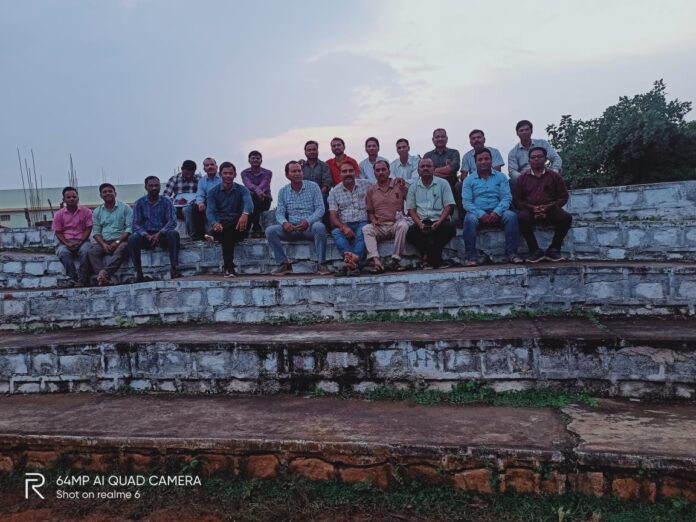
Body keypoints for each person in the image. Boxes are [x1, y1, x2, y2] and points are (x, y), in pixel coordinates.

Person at [265, 161, 330, 275]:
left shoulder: (313, 186)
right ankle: (284, 264)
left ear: (302, 172)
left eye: (299, 170)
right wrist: (285, 223)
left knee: (320, 227)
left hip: (310, 228)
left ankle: (321, 264)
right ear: (287, 175)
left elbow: (320, 209)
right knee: (270, 231)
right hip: (292, 229)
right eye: (293, 171)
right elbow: (279, 213)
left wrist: (308, 221)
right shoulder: (283, 191)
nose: (297, 173)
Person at [462, 148, 522, 266]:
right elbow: (467, 202)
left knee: (511, 216)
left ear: (491, 160)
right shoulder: (469, 180)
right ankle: (471, 257)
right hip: (477, 212)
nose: (483, 162)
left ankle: (512, 254)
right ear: (475, 162)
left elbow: (506, 197)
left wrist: (497, 212)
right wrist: (481, 214)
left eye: (486, 159)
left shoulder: (501, 177)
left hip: (498, 210)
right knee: (469, 219)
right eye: (480, 160)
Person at [513, 147, 572, 262]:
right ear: (529, 160)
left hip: (551, 210)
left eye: (539, 157)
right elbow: (517, 200)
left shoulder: (554, 176)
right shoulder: (522, 178)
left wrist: (549, 207)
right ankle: (534, 250)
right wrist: (532, 208)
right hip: (530, 211)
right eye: (533, 157)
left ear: (545, 159)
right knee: (521, 217)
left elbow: (563, 197)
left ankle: (554, 249)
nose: (536, 159)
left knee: (566, 218)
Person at [405, 158, 456, 269]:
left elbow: (449, 205)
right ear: (418, 170)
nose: (425, 168)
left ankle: (428, 259)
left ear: (433, 169)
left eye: (428, 166)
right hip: (422, 222)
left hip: (440, 221)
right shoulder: (413, 187)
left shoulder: (443, 183)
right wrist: (419, 224)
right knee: (410, 232)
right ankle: (436, 261)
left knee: (449, 228)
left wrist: (439, 222)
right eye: (422, 166)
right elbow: (411, 210)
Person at [205, 162, 253, 278]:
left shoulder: (242, 189)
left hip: (240, 226)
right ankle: (229, 268)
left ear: (235, 175)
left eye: (230, 173)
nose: (228, 176)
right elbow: (210, 212)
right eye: (225, 173)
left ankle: (212, 234)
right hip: (222, 228)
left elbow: (249, 204)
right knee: (227, 233)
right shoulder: (212, 192)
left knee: (248, 215)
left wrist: (245, 214)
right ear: (220, 174)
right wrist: (215, 223)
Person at [129, 176, 180, 282]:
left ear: (160, 187)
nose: (154, 188)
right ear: (146, 187)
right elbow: (136, 224)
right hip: (146, 237)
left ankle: (174, 269)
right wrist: (147, 235)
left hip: (162, 236)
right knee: (132, 239)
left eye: (156, 185)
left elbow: (172, 221)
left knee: (174, 234)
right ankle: (139, 273)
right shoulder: (139, 203)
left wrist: (159, 234)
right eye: (151, 185)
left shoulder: (166, 202)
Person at [363, 160, 409, 273]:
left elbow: (411, 201)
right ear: (374, 173)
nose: (381, 172)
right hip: (380, 226)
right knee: (366, 229)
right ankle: (377, 262)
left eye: (383, 169)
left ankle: (395, 260)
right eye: (378, 170)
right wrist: (373, 220)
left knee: (403, 225)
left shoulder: (399, 185)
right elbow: (370, 211)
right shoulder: (371, 190)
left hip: (395, 224)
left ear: (389, 171)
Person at [454, 129, 505, 226]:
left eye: (478, 137)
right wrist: (472, 182)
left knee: (505, 182)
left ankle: (504, 211)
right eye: (473, 138)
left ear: (484, 139)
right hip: (474, 183)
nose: (476, 140)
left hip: (492, 181)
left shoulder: (494, 152)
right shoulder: (467, 156)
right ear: (470, 142)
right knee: (460, 185)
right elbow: (464, 175)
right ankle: (463, 218)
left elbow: (497, 171)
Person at [328, 161, 371, 276]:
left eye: (350, 171)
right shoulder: (334, 192)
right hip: (345, 223)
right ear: (340, 174)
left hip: (363, 221)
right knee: (336, 232)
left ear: (355, 172)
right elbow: (333, 216)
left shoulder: (366, 185)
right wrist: (343, 228)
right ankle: (355, 264)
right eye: (344, 171)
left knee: (364, 231)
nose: (348, 174)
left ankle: (349, 263)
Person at [89, 183, 133, 286]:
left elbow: (129, 228)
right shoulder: (97, 211)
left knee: (121, 250)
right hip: (105, 242)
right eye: (104, 192)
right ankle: (103, 278)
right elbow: (96, 232)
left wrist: (117, 242)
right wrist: (103, 244)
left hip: (121, 240)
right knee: (92, 252)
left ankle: (103, 274)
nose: (107, 193)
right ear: (101, 195)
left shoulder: (125, 208)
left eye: (110, 191)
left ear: (115, 193)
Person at [52, 186, 93, 287]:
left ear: (78, 198)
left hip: (83, 240)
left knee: (86, 251)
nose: (71, 199)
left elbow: (89, 228)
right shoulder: (59, 214)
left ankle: (83, 279)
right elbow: (58, 232)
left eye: (74, 196)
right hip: (65, 242)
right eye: (68, 197)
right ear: (64, 200)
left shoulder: (86, 211)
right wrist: (67, 243)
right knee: (63, 253)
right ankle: (72, 279)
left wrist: (81, 241)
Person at [508, 119, 562, 188]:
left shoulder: (543, 143)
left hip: (544, 175)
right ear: (517, 133)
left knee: (557, 174)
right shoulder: (513, 153)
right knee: (511, 182)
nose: (524, 132)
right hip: (525, 180)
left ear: (531, 131)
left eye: (527, 129)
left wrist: (554, 172)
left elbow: (556, 158)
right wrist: (525, 179)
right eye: (521, 130)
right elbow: (512, 171)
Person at [164, 159, 200, 237]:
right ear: (182, 169)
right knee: (171, 210)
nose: (188, 176)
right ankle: (170, 234)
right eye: (186, 173)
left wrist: (196, 200)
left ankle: (192, 235)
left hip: (193, 206)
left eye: (191, 174)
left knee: (187, 210)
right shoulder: (174, 179)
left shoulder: (199, 179)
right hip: (177, 206)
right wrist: (175, 201)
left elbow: (203, 193)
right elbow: (166, 196)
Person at [300, 140, 332, 228]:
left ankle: (326, 228)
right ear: (305, 152)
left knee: (324, 199)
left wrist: (317, 195)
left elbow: (327, 184)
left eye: (314, 149)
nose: (312, 152)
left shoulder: (324, 166)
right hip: (303, 195)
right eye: (309, 150)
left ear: (317, 151)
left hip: (320, 194)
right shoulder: (301, 166)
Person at [240, 150, 273, 237]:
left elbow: (264, 184)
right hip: (251, 199)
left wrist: (258, 192)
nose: (255, 160)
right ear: (249, 160)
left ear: (261, 160)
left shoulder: (268, 173)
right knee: (251, 199)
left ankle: (255, 228)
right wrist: (258, 191)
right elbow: (248, 184)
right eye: (253, 158)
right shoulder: (244, 173)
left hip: (265, 199)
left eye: (258, 158)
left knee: (255, 200)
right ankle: (255, 227)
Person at [190, 157, 220, 240]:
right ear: (204, 169)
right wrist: (200, 203)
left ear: (216, 167)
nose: (210, 167)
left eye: (212, 164)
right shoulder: (202, 181)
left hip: (222, 201)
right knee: (196, 207)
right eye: (207, 165)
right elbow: (200, 194)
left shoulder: (222, 177)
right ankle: (200, 236)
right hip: (209, 201)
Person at [423, 128, 460, 196]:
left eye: (442, 137)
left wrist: (434, 170)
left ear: (446, 139)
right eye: (437, 137)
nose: (440, 139)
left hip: (451, 184)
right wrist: (447, 170)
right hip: (433, 185)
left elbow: (454, 168)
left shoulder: (454, 152)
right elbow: (426, 172)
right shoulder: (427, 155)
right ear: (433, 139)